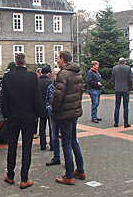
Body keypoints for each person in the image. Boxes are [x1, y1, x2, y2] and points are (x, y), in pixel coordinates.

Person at [1, 53, 42, 189]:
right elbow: (37, 98)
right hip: (29, 117)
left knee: (11, 146)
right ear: (25, 62)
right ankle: (24, 179)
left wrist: (6, 114)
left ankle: (10, 175)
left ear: (15, 62)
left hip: (12, 117)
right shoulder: (32, 77)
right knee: (27, 147)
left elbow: (4, 98)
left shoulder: (8, 77)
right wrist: (37, 114)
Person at [52, 51, 85, 185]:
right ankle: (80, 169)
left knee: (66, 142)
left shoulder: (63, 74)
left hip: (65, 113)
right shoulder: (77, 72)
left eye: (58, 58)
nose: (57, 61)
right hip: (75, 111)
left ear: (63, 60)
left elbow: (58, 94)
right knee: (73, 140)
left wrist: (54, 110)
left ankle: (69, 175)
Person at [46, 68, 61, 166]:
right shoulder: (50, 86)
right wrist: (48, 107)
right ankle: (56, 157)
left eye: (58, 74)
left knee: (67, 138)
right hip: (52, 114)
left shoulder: (64, 86)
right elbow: (47, 98)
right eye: (55, 74)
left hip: (63, 114)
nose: (57, 76)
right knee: (54, 136)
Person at [112, 58, 133, 128]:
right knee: (126, 106)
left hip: (117, 89)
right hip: (125, 88)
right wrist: (129, 87)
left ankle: (116, 122)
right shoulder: (128, 68)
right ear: (124, 62)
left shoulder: (115, 68)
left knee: (117, 106)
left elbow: (113, 78)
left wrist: (115, 85)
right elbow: (129, 79)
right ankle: (126, 122)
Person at [38, 66, 53, 151]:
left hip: (41, 107)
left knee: (42, 126)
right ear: (48, 73)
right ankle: (52, 145)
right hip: (49, 107)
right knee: (51, 127)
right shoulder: (51, 82)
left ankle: (42, 144)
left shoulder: (37, 82)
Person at [33, 67, 43, 139]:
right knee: (36, 120)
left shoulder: (38, 81)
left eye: (40, 73)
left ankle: (39, 132)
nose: (40, 74)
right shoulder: (35, 81)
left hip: (41, 102)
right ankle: (35, 132)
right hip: (39, 103)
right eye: (39, 72)